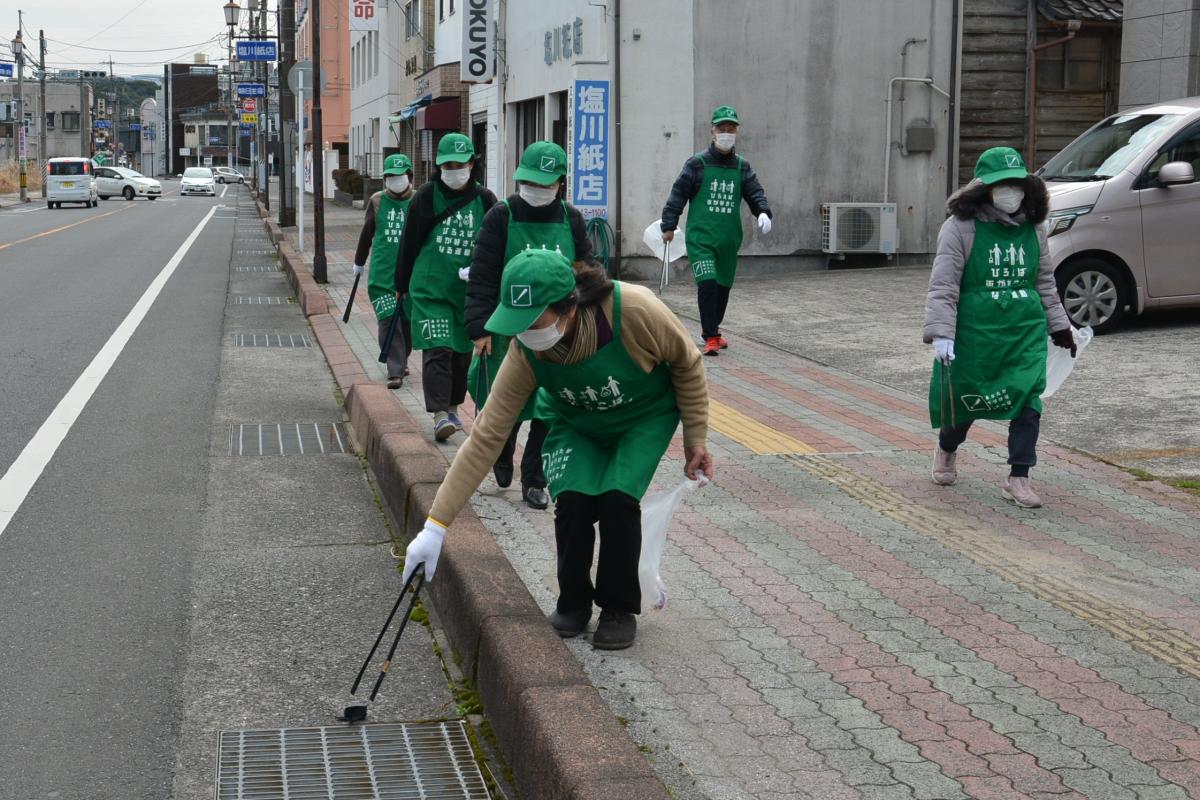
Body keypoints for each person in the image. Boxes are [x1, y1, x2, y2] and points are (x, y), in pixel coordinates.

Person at [402, 251, 712, 650]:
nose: (525, 332)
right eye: (517, 322)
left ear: (568, 306)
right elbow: (487, 436)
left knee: (617, 501)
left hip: (642, 417)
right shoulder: (525, 350)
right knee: (574, 502)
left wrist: (696, 439)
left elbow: (687, 363)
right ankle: (573, 602)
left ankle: (618, 608)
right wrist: (435, 526)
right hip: (575, 420)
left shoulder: (635, 309)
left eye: (533, 320)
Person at [924, 146, 1077, 509]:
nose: (1011, 192)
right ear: (984, 188)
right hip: (977, 334)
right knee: (970, 401)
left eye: (1017, 184)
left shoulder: (1034, 229)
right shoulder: (960, 228)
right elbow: (944, 285)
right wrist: (942, 334)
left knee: (1028, 399)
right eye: (1002, 184)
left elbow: (1044, 281)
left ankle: (1018, 476)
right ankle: (947, 449)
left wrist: (1060, 326)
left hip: (1023, 331)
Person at [464, 141, 597, 511]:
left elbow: (588, 273)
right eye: (530, 182)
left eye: (545, 183)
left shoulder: (571, 220)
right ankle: (502, 452)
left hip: (559, 334)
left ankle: (535, 480)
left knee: (548, 409)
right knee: (506, 404)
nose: (536, 190)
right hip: (510, 333)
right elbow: (483, 276)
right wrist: (479, 328)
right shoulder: (501, 216)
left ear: (560, 183)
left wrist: (592, 323)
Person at [397, 134, 498, 441]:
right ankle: (440, 413)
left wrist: (484, 274)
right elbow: (409, 242)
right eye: (448, 165)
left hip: (467, 293)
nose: (455, 170)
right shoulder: (426, 197)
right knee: (437, 347)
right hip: (430, 289)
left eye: (461, 163)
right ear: (439, 166)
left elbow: (495, 245)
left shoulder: (486, 200)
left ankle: (453, 407)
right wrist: (400, 284)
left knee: (460, 352)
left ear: (472, 164)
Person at [660, 105, 773, 356]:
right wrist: (668, 224)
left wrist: (763, 211)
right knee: (708, 284)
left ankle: (714, 329)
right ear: (712, 132)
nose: (726, 133)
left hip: (728, 241)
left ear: (736, 132)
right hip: (701, 240)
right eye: (721, 129)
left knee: (722, 288)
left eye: (730, 129)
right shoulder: (697, 164)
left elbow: (755, 192)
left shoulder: (742, 167)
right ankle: (710, 336)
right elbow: (678, 195)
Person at [353, 153, 414, 389]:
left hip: (411, 276)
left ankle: (401, 358)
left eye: (399, 176)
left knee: (406, 323)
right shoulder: (377, 200)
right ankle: (395, 370)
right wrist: (359, 262)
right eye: (390, 176)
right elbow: (367, 233)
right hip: (382, 275)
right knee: (389, 320)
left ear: (409, 176)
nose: (395, 180)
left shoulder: (419, 201)